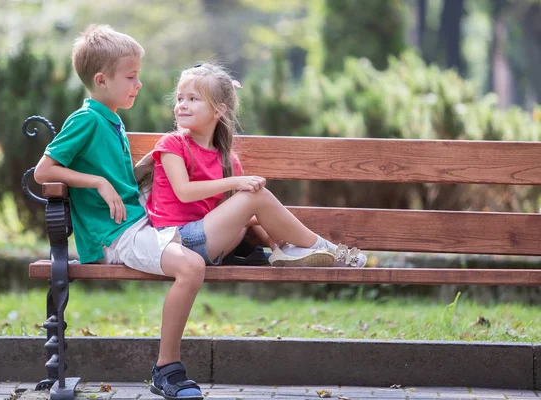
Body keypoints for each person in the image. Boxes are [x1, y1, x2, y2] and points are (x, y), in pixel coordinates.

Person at [34, 25, 205, 400]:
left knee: (212, 239)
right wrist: (95, 182)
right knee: (192, 265)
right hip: (115, 235)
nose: (138, 84)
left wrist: (152, 161)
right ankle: (167, 370)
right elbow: (44, 171)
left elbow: (122, 181)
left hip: (136, 222)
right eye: (131, 76)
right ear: (101, 79)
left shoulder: (110, 118)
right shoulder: (86, 119)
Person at [142, 63, 367, 269]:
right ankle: (329, 250)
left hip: (207, 240)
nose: (182, 105)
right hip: (174, 243)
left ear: (218, 110)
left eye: (193, 99)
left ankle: (289, 250)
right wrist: (236, 182)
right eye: (180, 99)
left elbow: (230, 215)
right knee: (255, 196)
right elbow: (184, 192)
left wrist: (272, 236)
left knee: (255, 202)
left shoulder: (227, 160)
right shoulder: (172, 144)